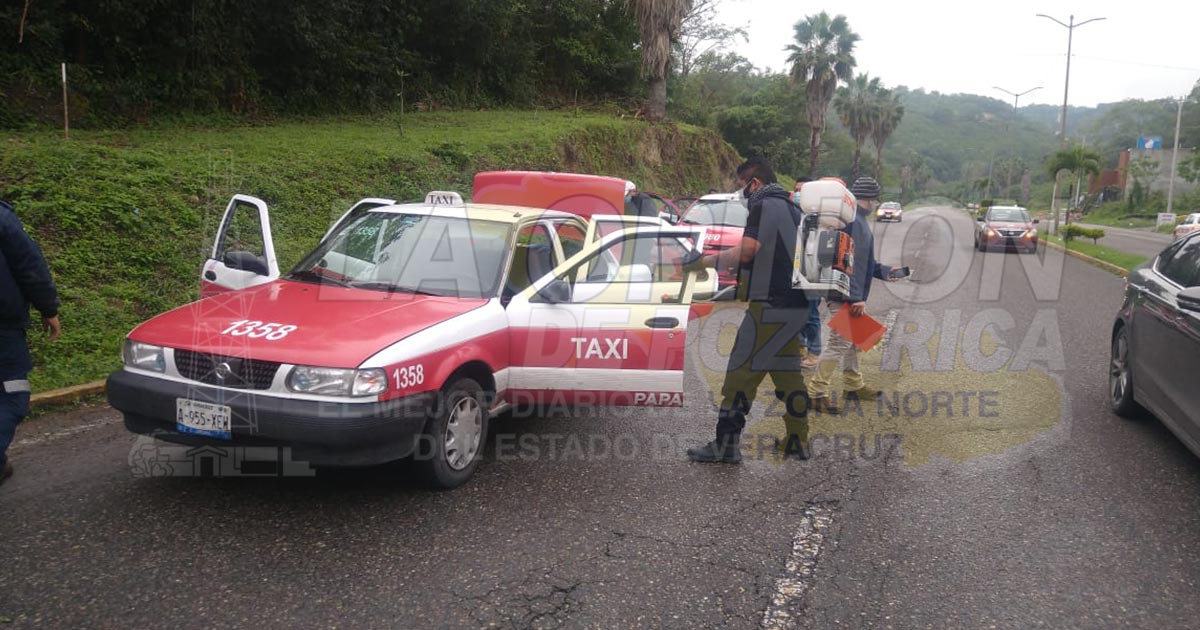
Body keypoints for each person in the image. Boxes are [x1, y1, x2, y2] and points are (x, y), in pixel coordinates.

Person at [684, 158, 811, 463]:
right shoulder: (795, 210)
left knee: (739, 376)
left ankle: (725, 446)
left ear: (754, 183)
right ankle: (797, 439)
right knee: (788, 377)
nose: (741, 192)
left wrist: (704, 261)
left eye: (741, 185)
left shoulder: (762, 204)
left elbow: (748, 250)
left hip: (769, 306)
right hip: (795, 306)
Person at [807, 177, 895, 414]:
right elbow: (848, 261)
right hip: (844, 292)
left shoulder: (858, 221)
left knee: (852, 339)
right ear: (867, 199)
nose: (876, 204)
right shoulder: (854, 222)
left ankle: (853, 385)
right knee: (840, 341)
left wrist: (888, 272)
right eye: (875, 199)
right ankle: (816, 392)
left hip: (844, 290)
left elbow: (866, 262)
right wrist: (855, 296)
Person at [0, 199, 60, 486]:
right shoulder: (3, 219)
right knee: (13, 395)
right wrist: (48, 308)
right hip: (3, 330)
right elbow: (29, 266)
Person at [792, 177, 823, 369]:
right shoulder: (795, 213)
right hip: (794, 271)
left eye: (802, 191)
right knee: (796, 312)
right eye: (796, 190)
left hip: (812, 272)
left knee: (810, 313)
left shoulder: (819, 217)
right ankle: (801, 347)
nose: (798, 194)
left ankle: (814, 352)